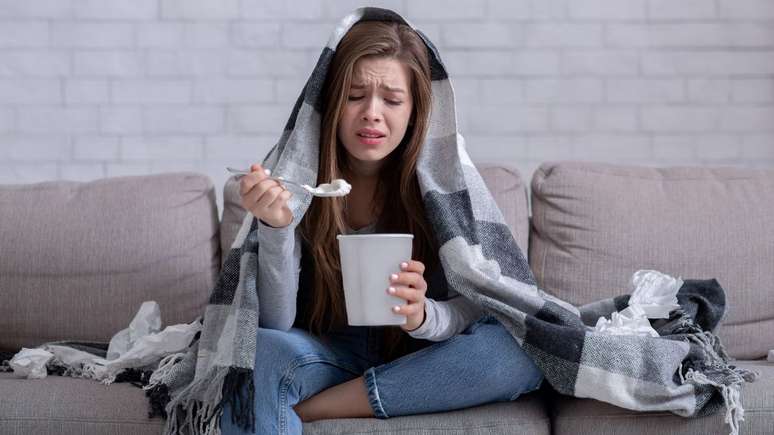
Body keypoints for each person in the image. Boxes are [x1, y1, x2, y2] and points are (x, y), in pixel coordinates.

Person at [220, 10, 544, 435]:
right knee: (261, 352)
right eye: (355, 96)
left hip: (419, 356)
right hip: (324, 348)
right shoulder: (295, 179)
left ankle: (321, 407)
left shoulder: (446, 185)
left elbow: (485, 302)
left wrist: (423, 316)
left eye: (392, 100)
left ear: (415, 112)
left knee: (520, 351)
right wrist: (278, 227)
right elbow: (276, 323)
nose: (372, 113)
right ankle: (365, 395)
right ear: (334, 103)